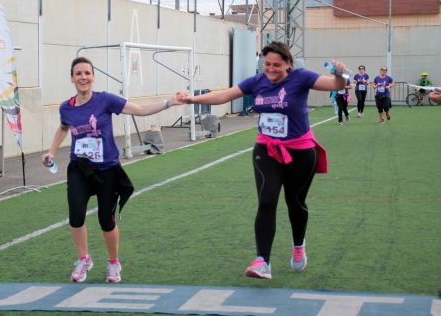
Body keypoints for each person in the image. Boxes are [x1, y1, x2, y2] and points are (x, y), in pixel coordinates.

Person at [176, 41, 347, 280]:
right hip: (266, 149)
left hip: (300, 151)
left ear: (288, 63)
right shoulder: (256, 82)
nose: (271, 68)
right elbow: (225, 94)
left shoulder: (302, 77)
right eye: (267, 64)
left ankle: (299, 245)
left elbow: (334, 84)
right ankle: (262, 261)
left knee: (295, 203)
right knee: (267, 201)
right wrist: (193, 99)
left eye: (277, 64)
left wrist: (340, 75)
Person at [43, 56, 183, 283]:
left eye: (87, 73)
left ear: (93, 77)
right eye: (78, 73)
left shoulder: (105, 100)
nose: (83, 77)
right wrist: (50, 151)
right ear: (72, 78)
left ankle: (113, 262)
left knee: (105, 220)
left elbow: (138, 109)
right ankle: (84, 258)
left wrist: (168, 103)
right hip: (79, 168)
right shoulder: (66, 108)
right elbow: (62, 128)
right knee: (76, 215)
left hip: (107, 169)